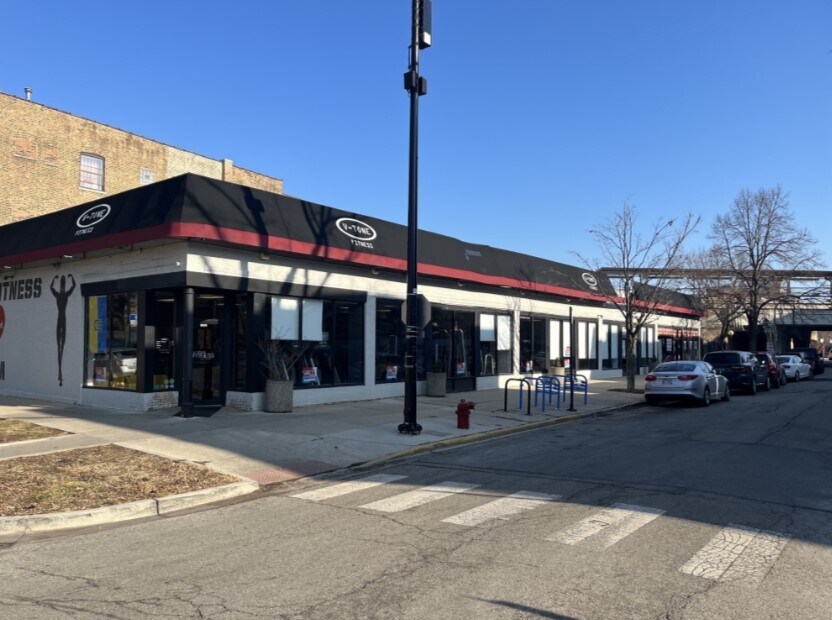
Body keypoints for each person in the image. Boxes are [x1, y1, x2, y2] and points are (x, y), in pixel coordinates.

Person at [50, 274, 76, 386]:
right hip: (59, 319)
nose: (61, 288)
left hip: (63, 319)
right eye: (61, 285)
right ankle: (59, 375)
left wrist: (71, 278)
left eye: (62, 285)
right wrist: (53, 279)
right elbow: (51, 288)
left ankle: (60, 375)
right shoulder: (59, 295)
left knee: (62, 345)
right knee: (58, 345)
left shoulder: (65, 295)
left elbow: (73, 286)